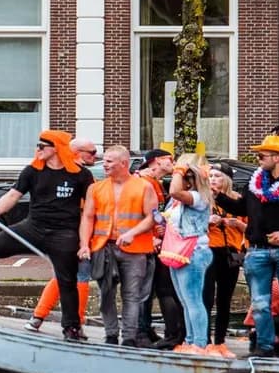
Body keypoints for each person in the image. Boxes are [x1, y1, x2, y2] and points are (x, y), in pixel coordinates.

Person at [0, 129, 94, 341]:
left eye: (42, 146)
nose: (38, 150)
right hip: (32, 227)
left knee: (67, 278)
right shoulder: (32, 171)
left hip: (64, 232)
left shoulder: (81, 175)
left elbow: (88, 212)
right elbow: (13, 195)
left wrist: (83, 242)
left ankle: (72, 328)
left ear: (56, 149)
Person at [215, 134, 279, 358]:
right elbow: (242, 208)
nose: (258, 159)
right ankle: (264, 346)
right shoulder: (255, 184)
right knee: (260, 303)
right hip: (257, 249)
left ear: (278, 157)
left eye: (262, 155)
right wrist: (218, 197)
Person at [78, 145, 157, 347]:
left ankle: (129, 338)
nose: (104, 165)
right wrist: (84, 245)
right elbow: (87, 218)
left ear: (124, 163)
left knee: (132, 295)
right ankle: (111, 335)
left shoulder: (144, 187)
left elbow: (152, 218)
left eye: (109, 161)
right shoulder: (95, 188)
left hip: (136, 250)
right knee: (106, 294)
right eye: (104, 161)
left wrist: (132, 233)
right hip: (104, 247)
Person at [25, 137, 99, 333]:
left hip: (61, 232)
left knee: (63, 275)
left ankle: (38, 317)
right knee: (81, 276)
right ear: (77, 152)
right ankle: (77, 323)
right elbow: (89, 209)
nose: (96, 155)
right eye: (91, 152)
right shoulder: (81, 175)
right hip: (77, 233)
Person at [164, 153, 213, 354]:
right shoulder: (180, 201)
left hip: (194, 252)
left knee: (193, 300)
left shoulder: (198, 197)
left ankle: (199, 343)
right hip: (178, 250)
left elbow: (174, 191)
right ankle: (190, 339)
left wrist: (179, 169)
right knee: (185, 301)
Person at [139, 148, 184, 350]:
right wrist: (154, 236)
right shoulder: (146, 182)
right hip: (149, 243)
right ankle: (148, 331)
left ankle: (149, 330)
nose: (172, 162)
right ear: (156, 161)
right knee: (153, 289)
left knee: (155, 288)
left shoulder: (155, 183)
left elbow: (156, 214)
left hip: (158, 242)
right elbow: (148, 213)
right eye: (169, 159)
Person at [202, 163, 246, 358]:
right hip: (209, 250)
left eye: (217, 176)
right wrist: (207, 221)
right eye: (210, 175)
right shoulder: (203, 200)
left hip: (231, 252)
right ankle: (204, 340)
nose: (213, 179)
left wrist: (237, 224)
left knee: (225, 299)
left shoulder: (238, 201)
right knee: (206, 297)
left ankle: (220, 341)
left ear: (227, 179)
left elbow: (251, 229)